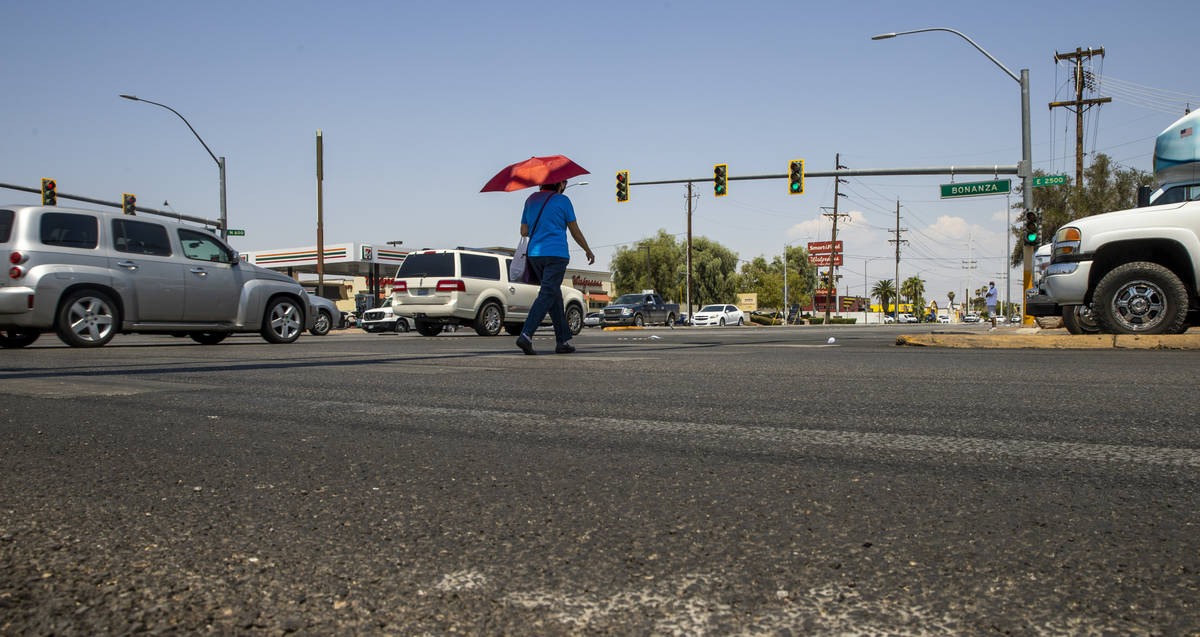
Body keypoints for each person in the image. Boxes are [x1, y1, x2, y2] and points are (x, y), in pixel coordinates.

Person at [515, 180, 594, 355]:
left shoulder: (530, 200)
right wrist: (587, 250)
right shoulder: (563, 201)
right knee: (547, 294)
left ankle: (562, 341)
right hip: (556, 255)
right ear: (560, 184)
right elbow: (574, 230)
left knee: (554, 296)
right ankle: (526, 335)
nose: (565, 185)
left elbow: (523, 230)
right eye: (565, 182)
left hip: (535, 255)